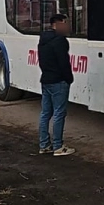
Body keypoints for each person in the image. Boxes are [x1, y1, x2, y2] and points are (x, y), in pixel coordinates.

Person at [38, 14, 75, 156]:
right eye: (66, 23)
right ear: (59, 23)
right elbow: (64, 62)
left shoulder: (43, 39)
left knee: (45, 113)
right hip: (58, 81)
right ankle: (58, 146)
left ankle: (44, 145)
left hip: (46, 79)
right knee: (59, 113)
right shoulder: (60, 40)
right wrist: (68, 78)